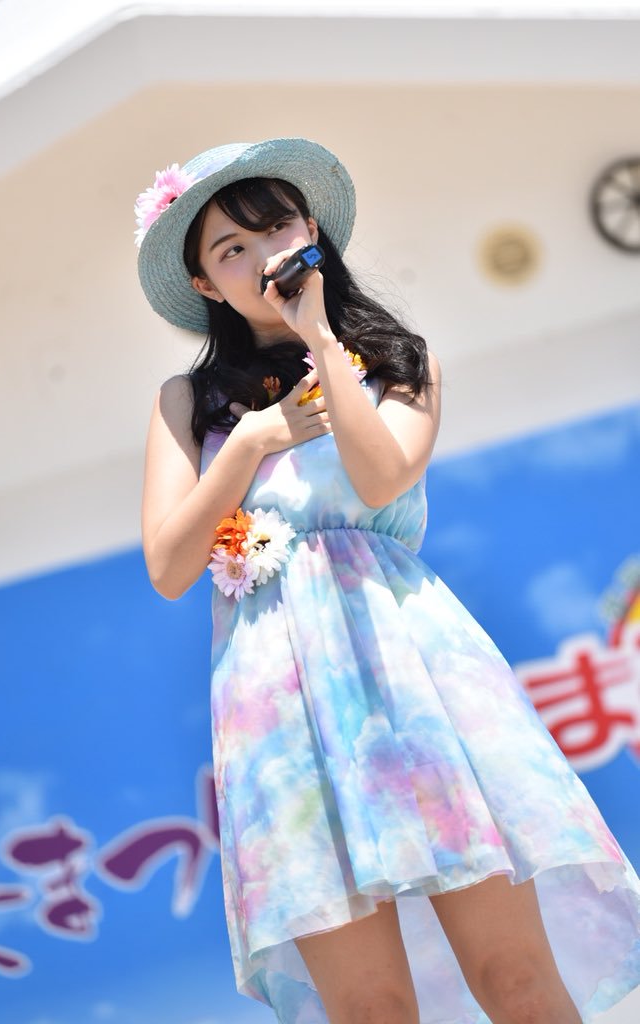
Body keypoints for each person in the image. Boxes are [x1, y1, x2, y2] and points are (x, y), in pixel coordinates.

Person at [136, 138, 640, 1024]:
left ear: (312, 230)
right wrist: (252, 441)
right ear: (207, 284)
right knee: (369, 1006)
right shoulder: (190, 402)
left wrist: (320, 338)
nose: (263, 257)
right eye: (233, 249)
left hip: (415, 674)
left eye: (276, 229)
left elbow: (381, 480)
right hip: (280, 707)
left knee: (515, 975)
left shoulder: (399, 360)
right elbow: (170, 566)